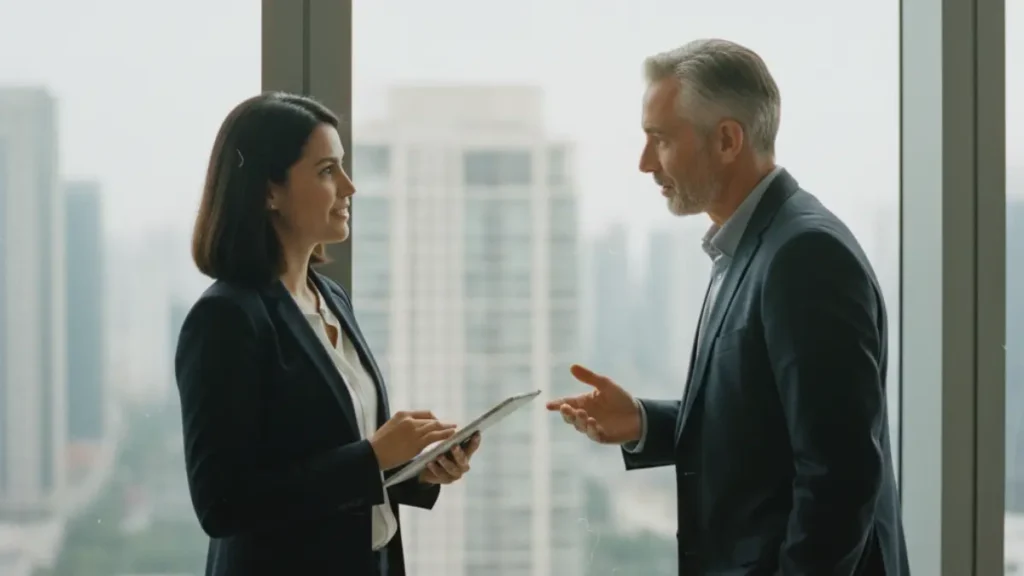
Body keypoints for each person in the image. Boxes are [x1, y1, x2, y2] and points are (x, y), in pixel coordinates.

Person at [547, 39, 909, 575]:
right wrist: (645, 420)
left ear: (726, 140)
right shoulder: (752, 245)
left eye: (661, 140)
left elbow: (840, 476)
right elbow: (764, 427)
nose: (645, 163)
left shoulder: (805, 257)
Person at [175, 92, 481, 576]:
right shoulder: (226, 319)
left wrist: (415, 471)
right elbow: (223, 503)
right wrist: (373, 456)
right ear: (268, 191)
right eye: (326, 171)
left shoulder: (331, 298)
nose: (350, 186)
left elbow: (336, 458)